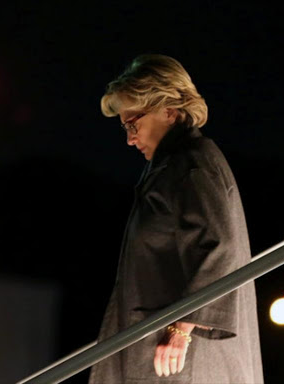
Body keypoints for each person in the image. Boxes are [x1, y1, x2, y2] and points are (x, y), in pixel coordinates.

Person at [88, 55, 264, 384]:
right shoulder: (174, 167)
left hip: (181, 362)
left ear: (169, 111)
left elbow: (219, 248)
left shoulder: (191, 166)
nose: (129, 138)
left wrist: (182, 329)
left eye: (132, 124)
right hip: (170, 358)